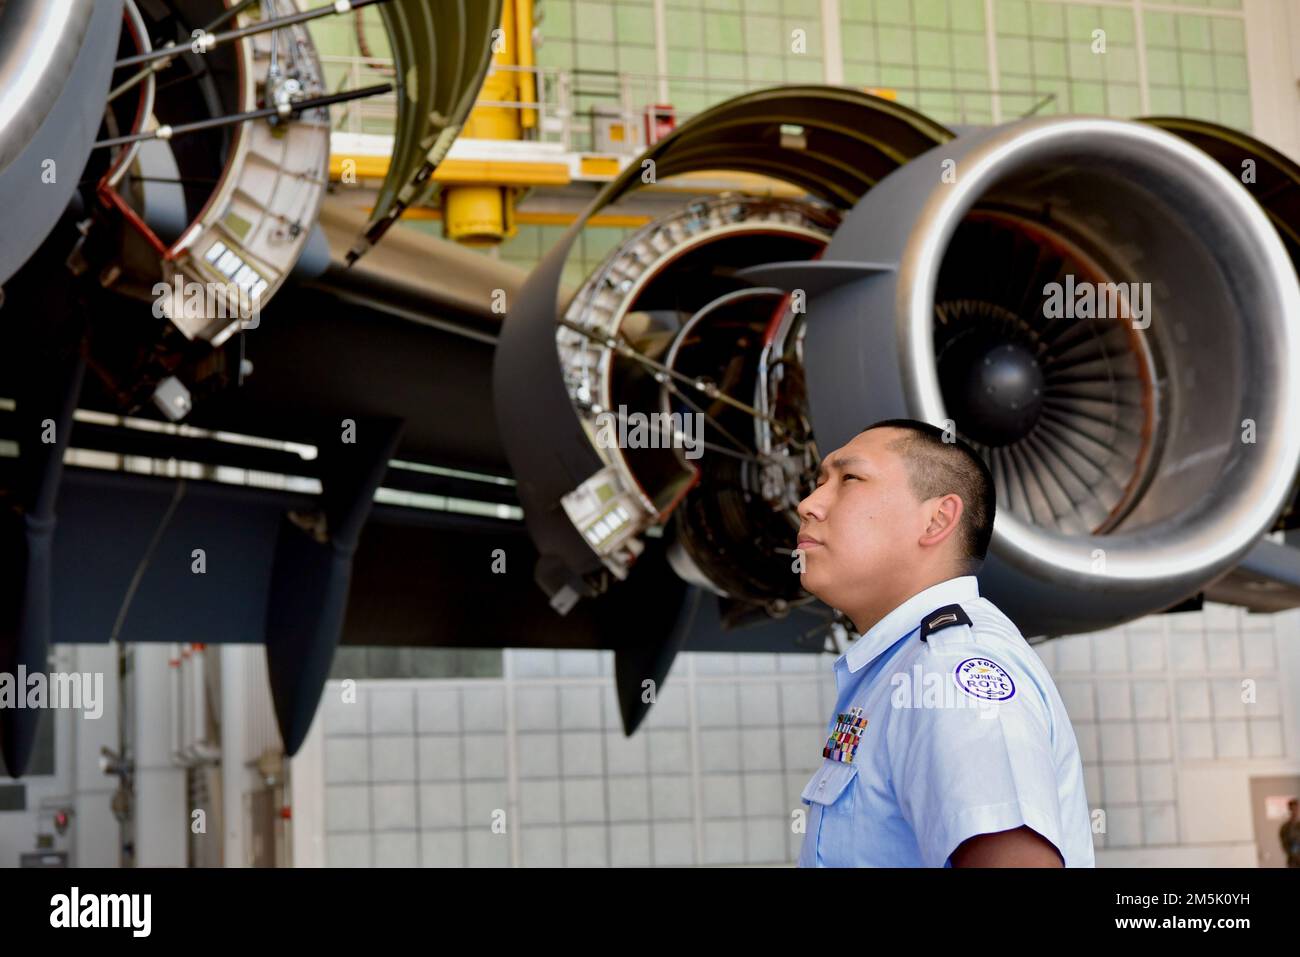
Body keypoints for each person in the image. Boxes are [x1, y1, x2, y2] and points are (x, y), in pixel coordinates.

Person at [793, 419, 1094, 867]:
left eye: (850, 479)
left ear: (937, 519)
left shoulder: (950, 669)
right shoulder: (903, 666)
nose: (809, 504)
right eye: (819, 483)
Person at [1280, 798, 1300, 867]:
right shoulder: (1285, 828)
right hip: (1293, 862)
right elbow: (1285, 845)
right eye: (1292, 809)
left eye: (1296, 809)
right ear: (1289, 810)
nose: (1295, 812)